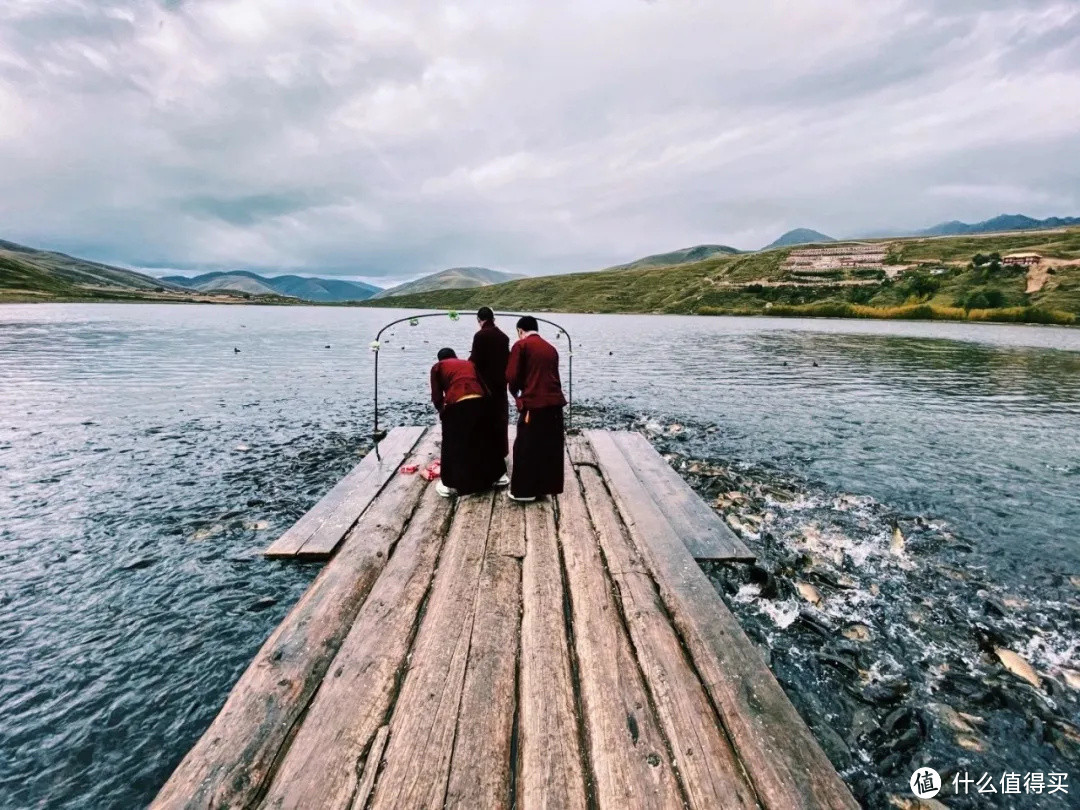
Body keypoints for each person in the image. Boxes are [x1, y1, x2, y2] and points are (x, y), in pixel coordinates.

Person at [505, 316, 567, 502]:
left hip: (534, 404)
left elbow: (512, 375)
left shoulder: (521, 346)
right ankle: (545, 487)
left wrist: (515, 393)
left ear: (520, 330)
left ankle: (524, 492)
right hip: (555, 404)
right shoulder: (551, 348)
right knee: (549, 446)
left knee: (526, 446)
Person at [430, 348, 506, 497]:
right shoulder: (468, 364)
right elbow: (484, 386)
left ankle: (448, 483)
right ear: (455, 356)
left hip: (458, 402)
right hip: (480, 400)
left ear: (440, 359)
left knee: (453, 443)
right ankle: (499, 476)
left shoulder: (438, 367)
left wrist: (442, 411)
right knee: (485, 438)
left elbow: (436, 395)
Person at [469, 306, 511, 470]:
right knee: (500, 417)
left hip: (484, 384)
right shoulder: (504, 337)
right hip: (501, 383)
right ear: (493, 319)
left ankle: (486, 453)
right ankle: (502, 451)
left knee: (485, 418)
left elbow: (475, 361)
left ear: (480, 320)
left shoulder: (480, 336)